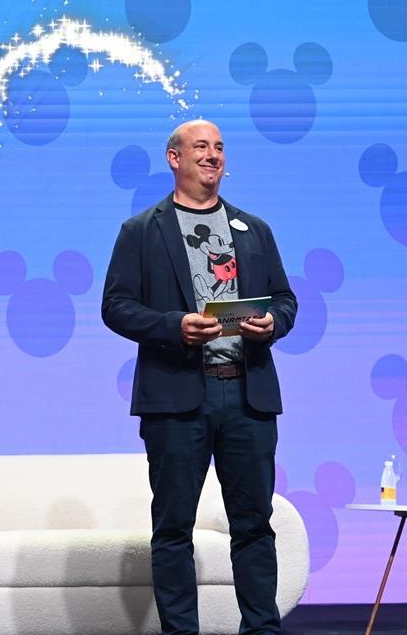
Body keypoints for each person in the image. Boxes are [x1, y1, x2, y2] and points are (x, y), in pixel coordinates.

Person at [101, 120, 297, 635]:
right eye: (201, 147)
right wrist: (173, 326)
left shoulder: (253, 229)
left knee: (254, 525)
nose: (212, 155)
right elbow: (115, 306)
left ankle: (261, 629)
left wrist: (272, 322)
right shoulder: (142, 231)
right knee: (173, 529)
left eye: (219, 147)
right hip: (177, 396)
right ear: (174, 158)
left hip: (248, 395)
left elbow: (285, 298)